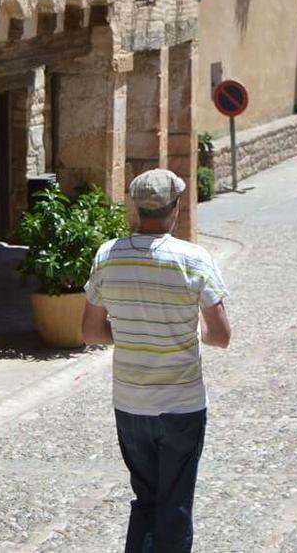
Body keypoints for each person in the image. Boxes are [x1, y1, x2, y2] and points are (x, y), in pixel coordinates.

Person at [82, 169, 232, 553]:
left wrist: (131, 333)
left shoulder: (107, 256)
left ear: (135, 208)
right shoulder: (194, 259)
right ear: (176, 208)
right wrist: (184, 333)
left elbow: (92, 333)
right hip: (181, 403)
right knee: (175, 504)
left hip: (131, 404)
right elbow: (221, 336)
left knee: (145, 499)